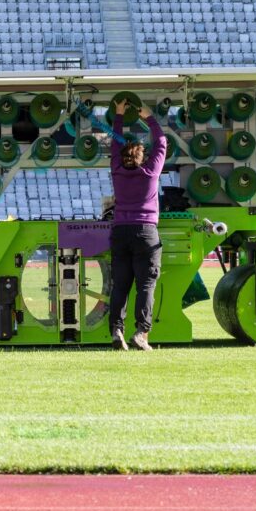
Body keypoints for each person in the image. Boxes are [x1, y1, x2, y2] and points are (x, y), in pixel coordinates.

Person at [108, 99, 167, 351]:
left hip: (120, 232)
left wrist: (119, 114)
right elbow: (161, 142)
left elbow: (114, 143)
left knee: (120, 285)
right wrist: (149, 117)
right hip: (145, 232)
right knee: (145, 285)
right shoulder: (151, 172)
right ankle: (141, 333)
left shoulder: (116, 169)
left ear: (122, 157)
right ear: (143, 157)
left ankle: (116, 330)